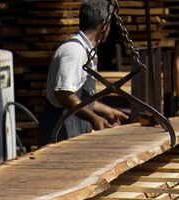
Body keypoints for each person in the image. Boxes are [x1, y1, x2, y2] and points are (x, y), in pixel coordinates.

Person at [37, 0, 128, 146]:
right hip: (59, 137)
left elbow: (79, 96)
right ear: (104, 26)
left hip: (69, 136)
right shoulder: (75, 51)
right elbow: (64, 94)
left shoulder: (85, 51)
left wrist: (106, 111)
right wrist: (93, 118)